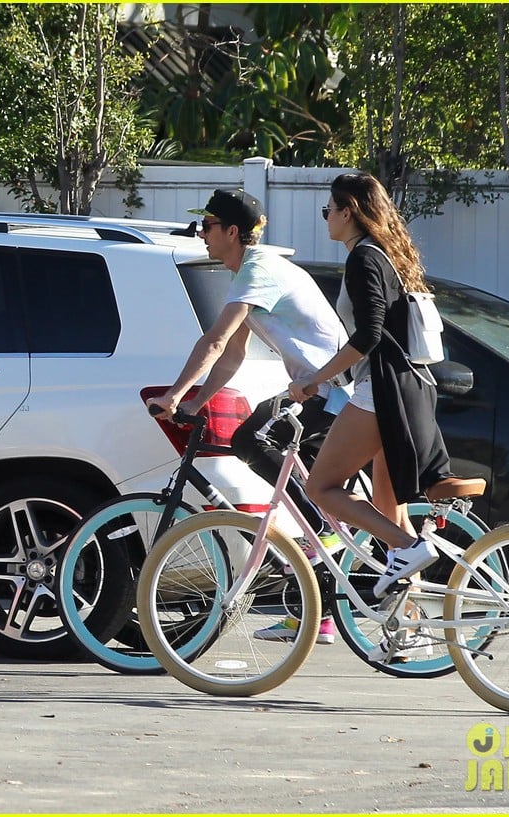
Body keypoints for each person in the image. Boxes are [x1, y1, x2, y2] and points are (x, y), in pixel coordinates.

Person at [146, 188, 352, 646]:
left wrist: (175, 393)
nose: (202, 234)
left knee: (249, 440)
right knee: (287, 471)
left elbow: (215, 342)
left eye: (209, 226)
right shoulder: (253, 272)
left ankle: (319, 522)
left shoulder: (257, 269)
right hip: (319, 390)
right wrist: (195, 404)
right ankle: (314, 617)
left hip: (331, 391)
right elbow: (232, 355)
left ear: (233, 232)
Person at [288, 172, 472, 605]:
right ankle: (406, 631)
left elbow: (369, 334)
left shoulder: (364, 258)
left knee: (320, 487)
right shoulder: (387, 255)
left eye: (328, 210)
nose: (325, 218)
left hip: (383, 390)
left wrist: (315, 378)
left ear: (348, 210)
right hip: (409, 387)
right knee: (389, 506)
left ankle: (409, 548)